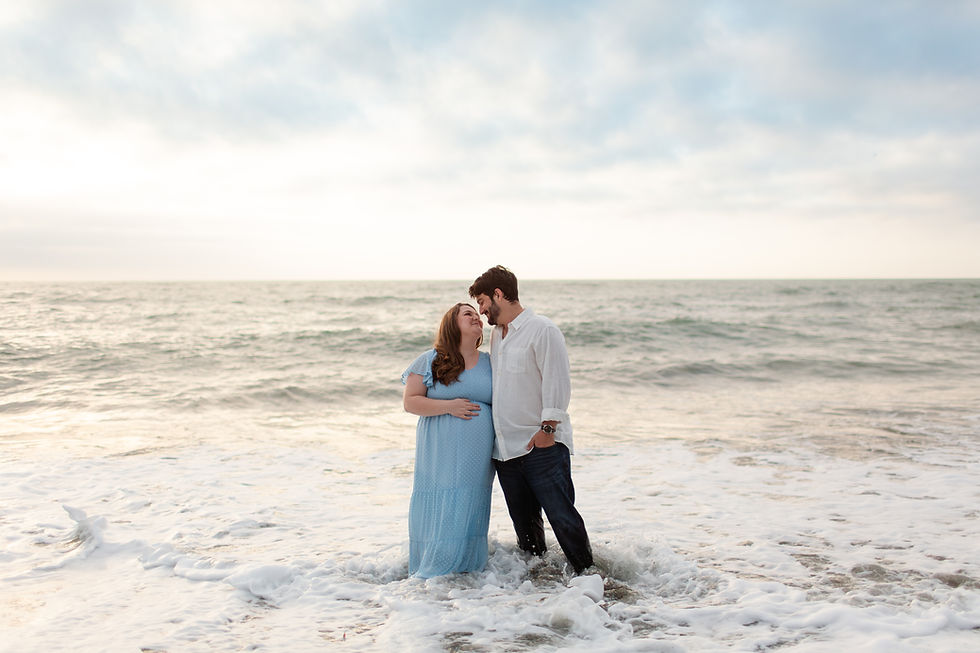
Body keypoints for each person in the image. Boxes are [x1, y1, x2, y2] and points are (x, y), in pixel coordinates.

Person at [468, 265, 594, 574]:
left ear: (499, 294)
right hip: (506, 451)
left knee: (562, 516)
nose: (481, 310)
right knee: (526, 528)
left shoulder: (542, 329)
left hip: (541, 445)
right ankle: (539, 584)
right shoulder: (498, 336)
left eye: (483, 301)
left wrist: (547, 430)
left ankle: (590, 577)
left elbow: (557, 381)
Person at [401, 303, 495, 577]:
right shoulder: (430, 359)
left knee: (469, 501)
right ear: (452, 324)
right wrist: (449, 406)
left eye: (477, 315)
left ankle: (467, 571)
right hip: (439, 447)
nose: (476, 317)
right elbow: (411, 402)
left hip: (476, 451)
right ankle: (433, 571)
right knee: (441, 499)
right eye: (468, 314)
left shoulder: (490, 362)